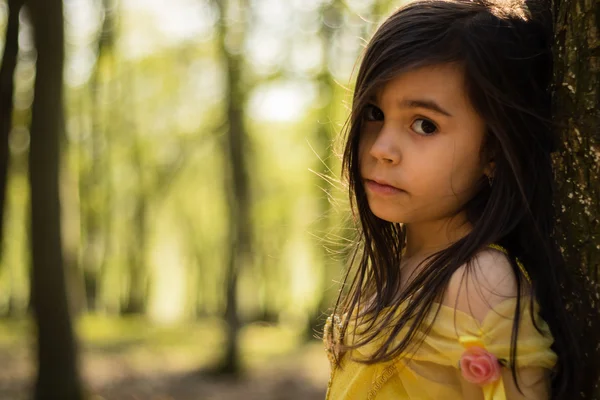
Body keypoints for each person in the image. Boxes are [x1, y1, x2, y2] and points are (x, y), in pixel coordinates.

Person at [321, 0, 600, 399]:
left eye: (424, 124)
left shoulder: (478, 281)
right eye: (373, 113)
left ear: (493, 152)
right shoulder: (400, 267)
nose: (382, 148)